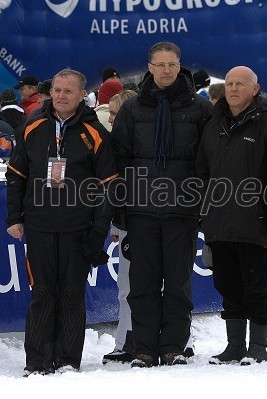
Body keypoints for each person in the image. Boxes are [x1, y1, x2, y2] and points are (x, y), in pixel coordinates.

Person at [5, 68, 117, 376]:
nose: (61, 96)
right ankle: (37, 361)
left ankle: (68, 361)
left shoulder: (95, 131)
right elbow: (16, 176)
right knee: (41, 294)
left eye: (68, 91)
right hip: (39, 225)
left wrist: (98, 229)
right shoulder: (33, 126)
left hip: (77, 228)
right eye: (57, 90)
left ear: (83, 95)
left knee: (71, 295)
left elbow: (108, 185)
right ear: (49, 92)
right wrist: (14, 217)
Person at [112, 42, 212, 368]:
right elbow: (120, 161)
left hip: (182, 211)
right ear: (150, 67)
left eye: (172, 64)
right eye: (160, 64)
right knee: (142, 284)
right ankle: (143, 348)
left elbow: (206, 162)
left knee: (178, 284)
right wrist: (121, 208)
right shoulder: (132, 109)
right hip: (141, 210)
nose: (166, 70)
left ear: (179, 65)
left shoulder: (199, 109)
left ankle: (173, 346)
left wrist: (200, 203)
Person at [196, 66, 267, 366]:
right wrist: (202, 211)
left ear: (254, 88)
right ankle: (234, 345)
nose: (234, 89)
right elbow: (201, 171)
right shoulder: (213, 123)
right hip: (218, 220)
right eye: (230, 84)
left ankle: (258, 346)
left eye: (241, 84)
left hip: (254, 220)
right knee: (226, 284)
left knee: (255, 285)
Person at [101, 89, 138, 364]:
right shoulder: (116, 143)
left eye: (114, 113)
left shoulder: (127, 146)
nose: (110, 119)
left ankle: (127, 342)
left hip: (138, 221)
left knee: (130, 288)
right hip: (127, 221)